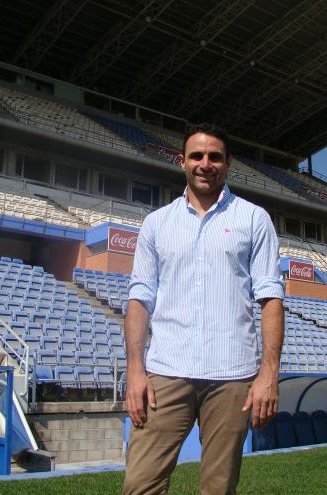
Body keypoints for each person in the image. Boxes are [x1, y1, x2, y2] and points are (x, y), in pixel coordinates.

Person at [123, 123, 284, 495]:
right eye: (197, 155)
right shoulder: (156, 223)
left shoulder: (253, 219)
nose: (205, 164)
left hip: (232, 375)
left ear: (228, 164)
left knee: (218, 488)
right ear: (182, 162)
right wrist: (135, 371)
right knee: (139, 484)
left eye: (214, 157)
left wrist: (268, 375)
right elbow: (140, 298)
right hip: (165, 373)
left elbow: (271, 299)